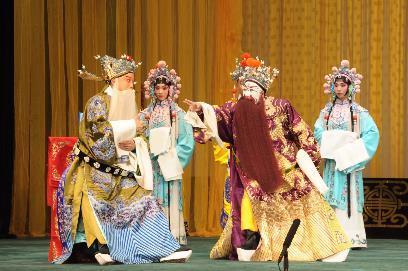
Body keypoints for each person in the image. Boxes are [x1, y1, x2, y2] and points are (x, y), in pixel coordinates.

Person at [184, 53, 351, 262]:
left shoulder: (281, 106)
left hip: (286, 169)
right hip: (252, 172)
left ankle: (324, 247)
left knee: (307, 204)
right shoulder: (236, 110)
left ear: (263, 91)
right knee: (249, 204)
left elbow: (302, 132)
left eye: (252, 89)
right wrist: (201, 109)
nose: (247, 93)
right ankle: (251, 245)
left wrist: (307, 156)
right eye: (245, 89)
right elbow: (217, 115)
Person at [51, 54, 191, 265]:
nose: (131, 84)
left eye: (132, 79)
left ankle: (164, 247)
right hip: (94, 170)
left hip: (120, 169)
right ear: (114, 80)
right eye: (127, 79)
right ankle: (107, 248)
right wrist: (131, 126)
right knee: (101, 204)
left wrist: (136, 143)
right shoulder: (97, 102)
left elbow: (139, 135)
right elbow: (98, 135)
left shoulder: (128, 104)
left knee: (143, 200)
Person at [314, 60, 379, 249]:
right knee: (330, 194)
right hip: (332, 163)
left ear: (350, 87)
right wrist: (335, 141)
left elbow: (372, 134)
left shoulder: (358, 112)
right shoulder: (326, 111)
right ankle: (331, 237)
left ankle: (352, 236)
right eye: (336, 84)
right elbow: (318, 131)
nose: (339, 88)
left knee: (349, 195)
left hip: (348, 162)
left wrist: (351, 150)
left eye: (343, 85)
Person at [139, 60, 194, 245]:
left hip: (168, 165)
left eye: (164, 87)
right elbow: (139, 137)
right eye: (157, 87)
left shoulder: (178, 114)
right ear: (152, 89)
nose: (161, 91)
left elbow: (187, 143)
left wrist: (169, 159)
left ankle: (170, 238)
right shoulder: (145, 114)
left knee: (170, 197)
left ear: (171, 89)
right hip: (151, 166)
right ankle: (151, 238)